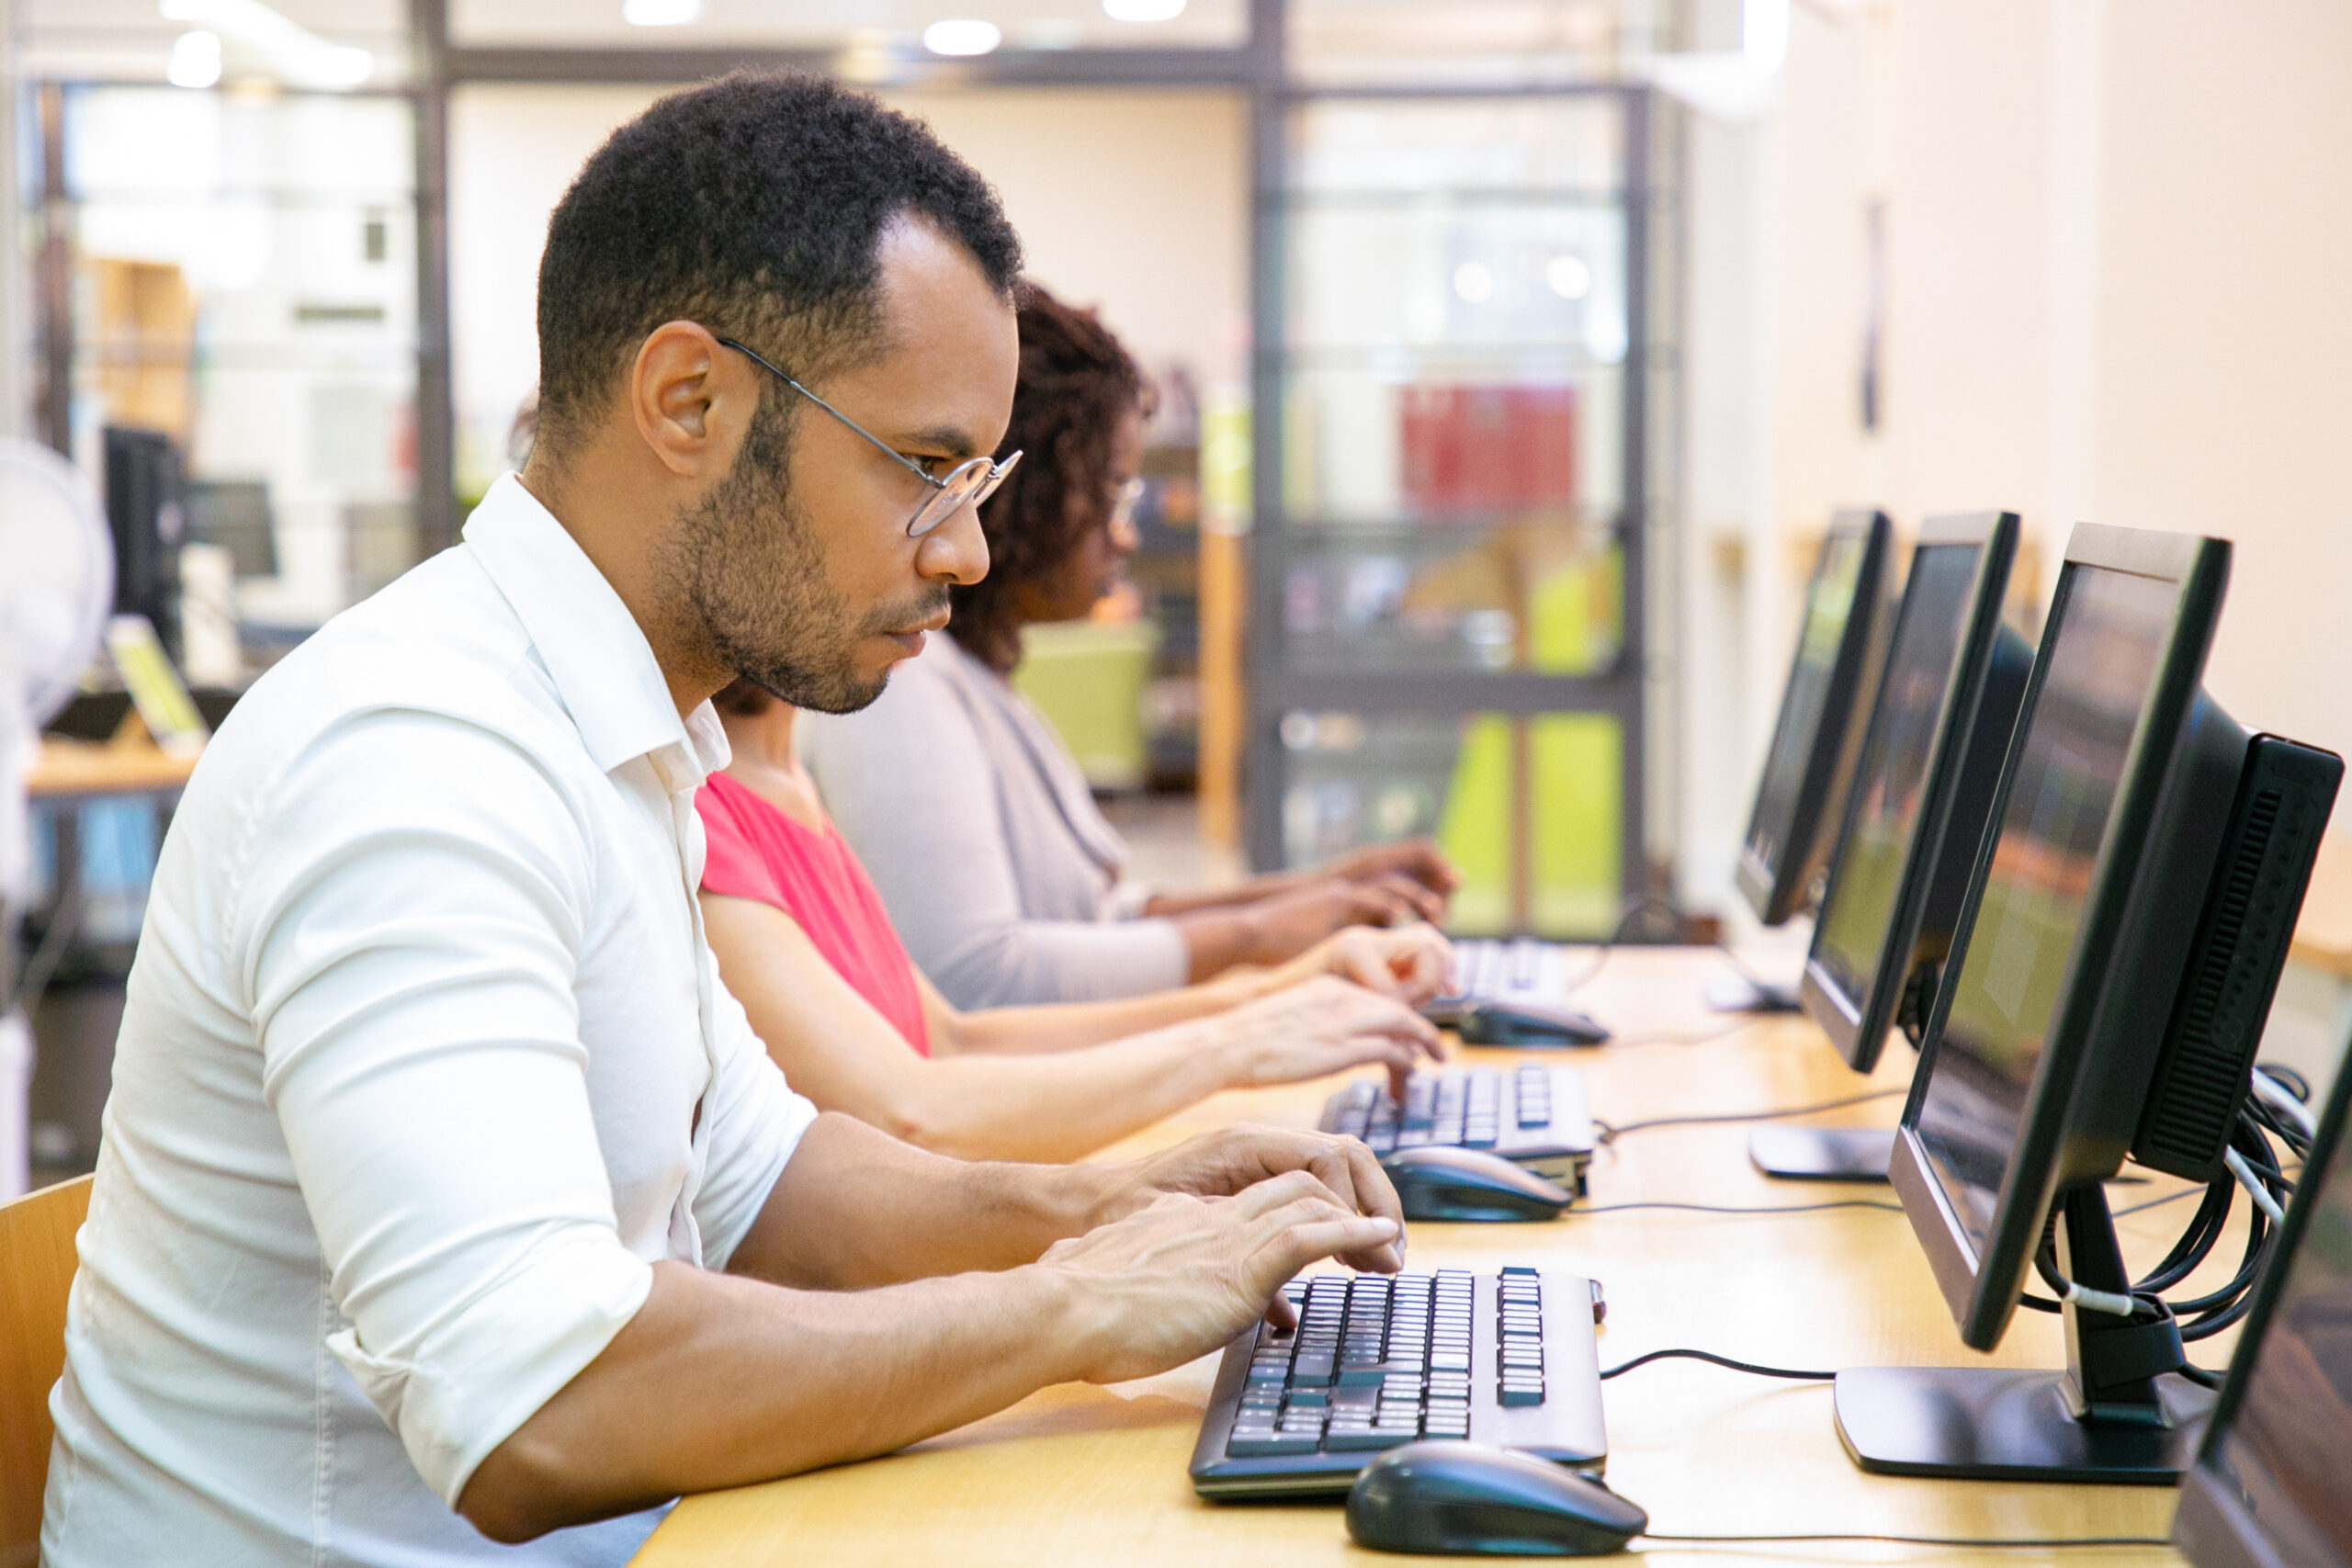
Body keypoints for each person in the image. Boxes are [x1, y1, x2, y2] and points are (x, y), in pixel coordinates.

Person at [42, 74, 1407, 1566]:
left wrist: (1104, 1202)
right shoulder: (415, 755)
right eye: (927, 469)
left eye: (985, 478)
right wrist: (1075, 1301)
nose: (963, 550)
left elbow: (763, 1181)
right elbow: (534, 1402)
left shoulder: (621, 727)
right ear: (689, 399)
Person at [799, 283, 1461, 1010]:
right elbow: (976, 977)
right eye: (1111, 495)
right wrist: (1259, 934)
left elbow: (1095, 918)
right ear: (1030, 490)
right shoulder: (901, 688)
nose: (1126, 535)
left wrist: (1326, 893)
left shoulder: (979, 683)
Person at [698, 677, 1452, 1161]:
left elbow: (957, 1036)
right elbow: (911, 1112)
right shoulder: (701, 808)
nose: (962, 555)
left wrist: (1285, 991)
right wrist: (1237, 1041)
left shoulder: (788, 783)